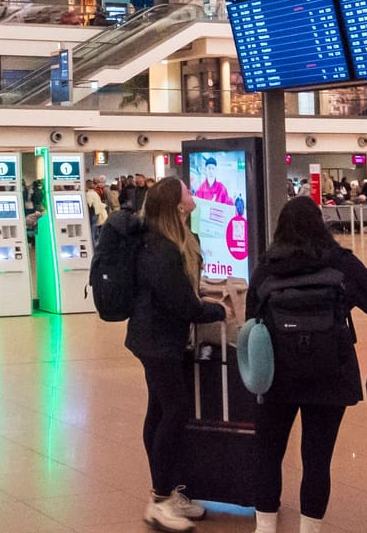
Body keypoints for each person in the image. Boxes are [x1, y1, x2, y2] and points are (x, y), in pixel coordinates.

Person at [247, 196, 367, 533]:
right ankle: (309, 529)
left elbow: (252, 319)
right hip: (330, 373)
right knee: (317, 458)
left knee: (268, 454)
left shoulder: (267, 265)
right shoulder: (341, 263)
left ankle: (265, 528)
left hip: (275, 375)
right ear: (321, 225)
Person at [127, 177, 225, 533]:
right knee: (175, 409)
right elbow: (181, 303)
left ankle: (165, 492)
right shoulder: (161, 248)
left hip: (157, 338)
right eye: (186, 191)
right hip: (157, 341)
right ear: (177, 205)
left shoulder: (173, 241)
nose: (192, 194)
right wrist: (217, 311)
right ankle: (159, 499)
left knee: (160, 408)